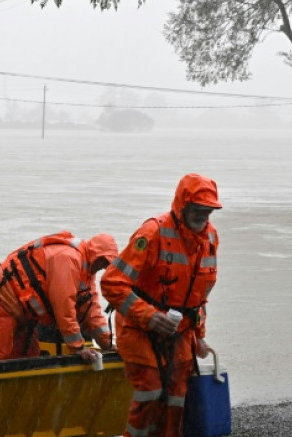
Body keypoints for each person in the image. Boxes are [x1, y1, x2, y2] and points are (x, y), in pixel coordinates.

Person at [101, 173, 222, 437]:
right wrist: (148, 316)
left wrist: (199, 336)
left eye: (208, 210)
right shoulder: (152, 233)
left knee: (177, 397)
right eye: (198, 209)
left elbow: (201, 297)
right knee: (150, 392)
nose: (203, 215)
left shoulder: (210, 240)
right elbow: (112, 283)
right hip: (138, 327)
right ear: (182, 206)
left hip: (181, 331)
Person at [0, 231, 119, 363]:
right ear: (95, 254)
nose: (105, 266)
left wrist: (107, 343)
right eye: (104, 260)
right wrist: (78, 347)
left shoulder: (87, 272)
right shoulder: (68, 259)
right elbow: (64, 307)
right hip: (3, 299)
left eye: (108, 263)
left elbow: (92, 311)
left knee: (28, 358)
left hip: (25, 313)